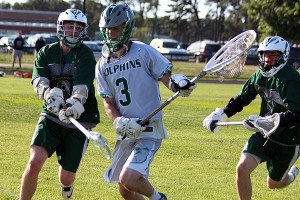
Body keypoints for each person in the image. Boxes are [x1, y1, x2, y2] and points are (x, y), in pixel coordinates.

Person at [95, 4, 196, 200]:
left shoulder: (143, 51)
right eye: (107, 29)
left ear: (126, 28)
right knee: (126, 189)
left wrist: (179, 84)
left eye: (115, 28)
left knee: (129, 178)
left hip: (149, 129)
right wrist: (118, 122)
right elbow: (108, 103)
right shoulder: (101, 65)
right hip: (126, 131)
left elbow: (167, 78)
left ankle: (159, 198)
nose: (110, 33)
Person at [203, 36, 300, 200]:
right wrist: (220, 114)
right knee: (242, 168)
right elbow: (241, 99)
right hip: (264, 135)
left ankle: (291, 175)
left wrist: (271, 121)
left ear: (283, 56)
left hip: (288, 140)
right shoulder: (258, 75)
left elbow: (297, 114)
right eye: (264, 54)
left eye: (273, 55)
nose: (267, 59)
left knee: (274, 184)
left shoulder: (290, 79)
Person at [19, 9, 100, 200]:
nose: (73, 31)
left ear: (83, 31)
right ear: (60, 27)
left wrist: (73, 105)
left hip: (79, 119)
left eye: (78, 28)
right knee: (34, 162)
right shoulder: (47, 52)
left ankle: (67, 189)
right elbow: (38, 79)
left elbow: (81, 89)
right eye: (69, 26)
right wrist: (48, 94)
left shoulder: (85, 54)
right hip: (51, 116)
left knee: (66, 176)